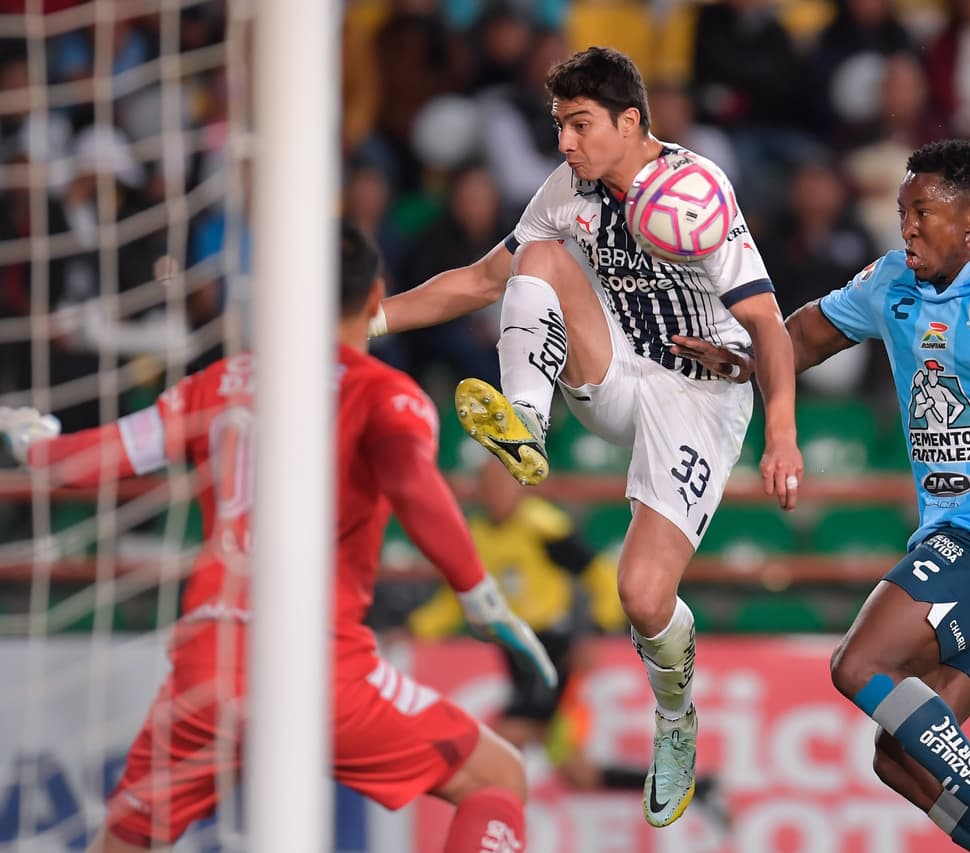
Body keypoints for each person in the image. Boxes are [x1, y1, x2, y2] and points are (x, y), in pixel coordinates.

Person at [0, 223, 557, 852]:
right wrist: (477, 591)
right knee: (498, 775)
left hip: (209, 663)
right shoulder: (385, 394)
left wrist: (35, 443)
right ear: (377, 296)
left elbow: (87, 460)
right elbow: (409, 479)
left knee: (123, 842)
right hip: (319, 668)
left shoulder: (220, 382)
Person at [671, 139, 970, 852]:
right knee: (898, 756)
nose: (909, 228)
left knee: (857, 664)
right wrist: (744, 364)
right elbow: (803, 335)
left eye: (923, 212)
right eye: (903, 212)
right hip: (958, 543)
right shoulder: (888, 281)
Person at [370, 46, 803, 828]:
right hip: (616, 370)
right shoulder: (566, 189)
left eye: (578, 125)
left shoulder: (698, 191)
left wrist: (783, 434)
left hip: (700, 399)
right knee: (536, 254)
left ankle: (676, 717)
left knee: (642, 595)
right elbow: (476, 281)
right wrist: (362, 320)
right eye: (558, 125)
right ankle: (524, 424)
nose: (564, 143)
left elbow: (767, 323)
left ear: (630, 121)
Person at [407, 457, 731, 831]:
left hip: (554, 652)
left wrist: (594, 631)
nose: (496, 494)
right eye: (487, 487)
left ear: (518, 487)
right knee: (579, 775)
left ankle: (486, 832)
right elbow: (458, 597)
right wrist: (419, 628)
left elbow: (599, 573)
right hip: (518, 655)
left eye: (503, 485)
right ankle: (701, 787)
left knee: (505, 737)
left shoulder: (542, 526)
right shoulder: (476, 534)